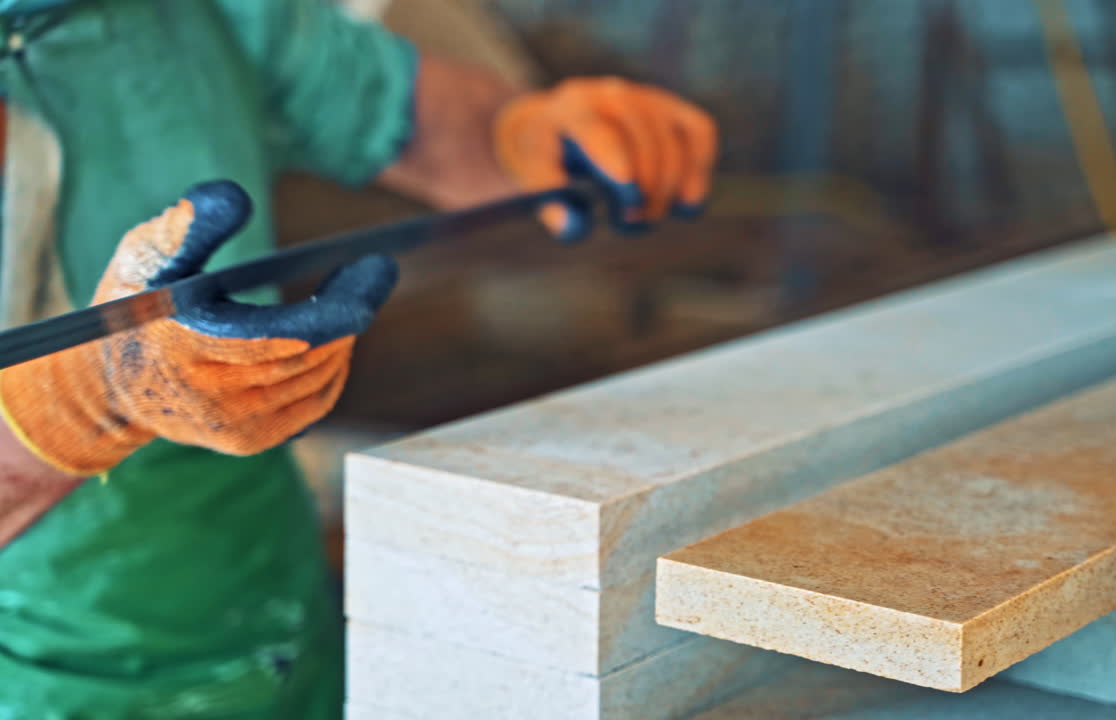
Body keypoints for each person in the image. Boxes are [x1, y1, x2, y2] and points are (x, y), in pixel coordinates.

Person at [0, 1, 718, 717]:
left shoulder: (203, 13)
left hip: (270, 597)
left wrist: (527, 135)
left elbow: (400, 112)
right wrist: (80, 402)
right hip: (41, 664)